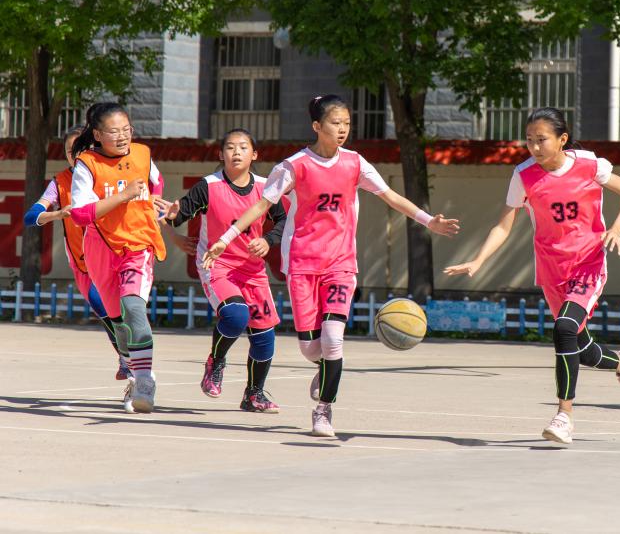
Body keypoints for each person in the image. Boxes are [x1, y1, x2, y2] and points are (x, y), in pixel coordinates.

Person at [202, 95, 459, 437]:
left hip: (341, 263)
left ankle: (323, 411)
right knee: (311, 347)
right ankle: (326, 367)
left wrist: (429, 221)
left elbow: (390, 196)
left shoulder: (355, 163)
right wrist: (227, 237)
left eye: (347, 123)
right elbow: (262, 205)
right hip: (302, 265)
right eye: (335, 123)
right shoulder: (294, 166)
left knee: (333, 338)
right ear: (316, 126)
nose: (342, 129)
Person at [444, 107, 620, 444]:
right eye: (529, 140)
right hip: (552, 270)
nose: (534, 147)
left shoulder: (589, 165)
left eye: (542, 140)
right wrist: (478, 260)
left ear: (562, 139)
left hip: (588, 264)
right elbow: (503, 226)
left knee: (563, 328)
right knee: (580, 347)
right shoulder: (524, 175)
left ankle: (564, 416)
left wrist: (617, 228)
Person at [163, 128, 287, 412]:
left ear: (255, 154)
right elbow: (176, 215)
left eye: (243, 147)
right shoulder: (208, 186)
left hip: (252, 269)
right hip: (216, 264)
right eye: (230, 147)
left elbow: (283, 220)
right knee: (235, 315)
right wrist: (172, 220)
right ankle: (216, 362)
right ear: (221, 154)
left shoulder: (266, 187)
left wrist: (268, 241)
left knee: (264, 335)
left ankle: (254, 394)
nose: (237, 152)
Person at [69, 103, 171, 413]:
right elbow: (80, 214)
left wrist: (155, 204)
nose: (123, 136)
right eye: (114, 131)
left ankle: (144, 381)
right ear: (98, 135)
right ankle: (134, 371)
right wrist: (123, 196)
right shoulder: (87, 164)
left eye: (127, 129)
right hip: (101, 249)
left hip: (138, 245)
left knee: (133, 307)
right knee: (120, 326)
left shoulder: (142, 153)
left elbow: (156, 181)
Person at [23, 126, 131, 380]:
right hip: (84, 263)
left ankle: (132, 361)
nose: (75, 154)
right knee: (104, 308)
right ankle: (128, 360)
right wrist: (57, 214)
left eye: (81, 148)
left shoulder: (107, 173)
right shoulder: (60, 183)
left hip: (113, 254)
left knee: (124, 312)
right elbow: (30, 217)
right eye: (70, 150)